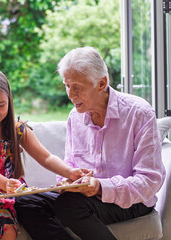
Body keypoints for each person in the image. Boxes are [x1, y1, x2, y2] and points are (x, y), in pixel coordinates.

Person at [15, 46, 166, 240]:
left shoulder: (139, 113)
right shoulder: (75, 118)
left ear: (101, 83)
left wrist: (100, 187)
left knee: (69, 205)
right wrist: (66, 182)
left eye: (77, 87)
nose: (70, 94)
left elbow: (149, 182)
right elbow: (69, 165)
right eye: (66, 85)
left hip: (131, 202)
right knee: (24, 203)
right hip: (84, 199)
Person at [0, 68, 87, 240]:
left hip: (2, 194)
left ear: (9, 101)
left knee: (6, 227)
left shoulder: (18, 129)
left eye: (1, 105)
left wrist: (70, 172)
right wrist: (5, 183)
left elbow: (46, 157)